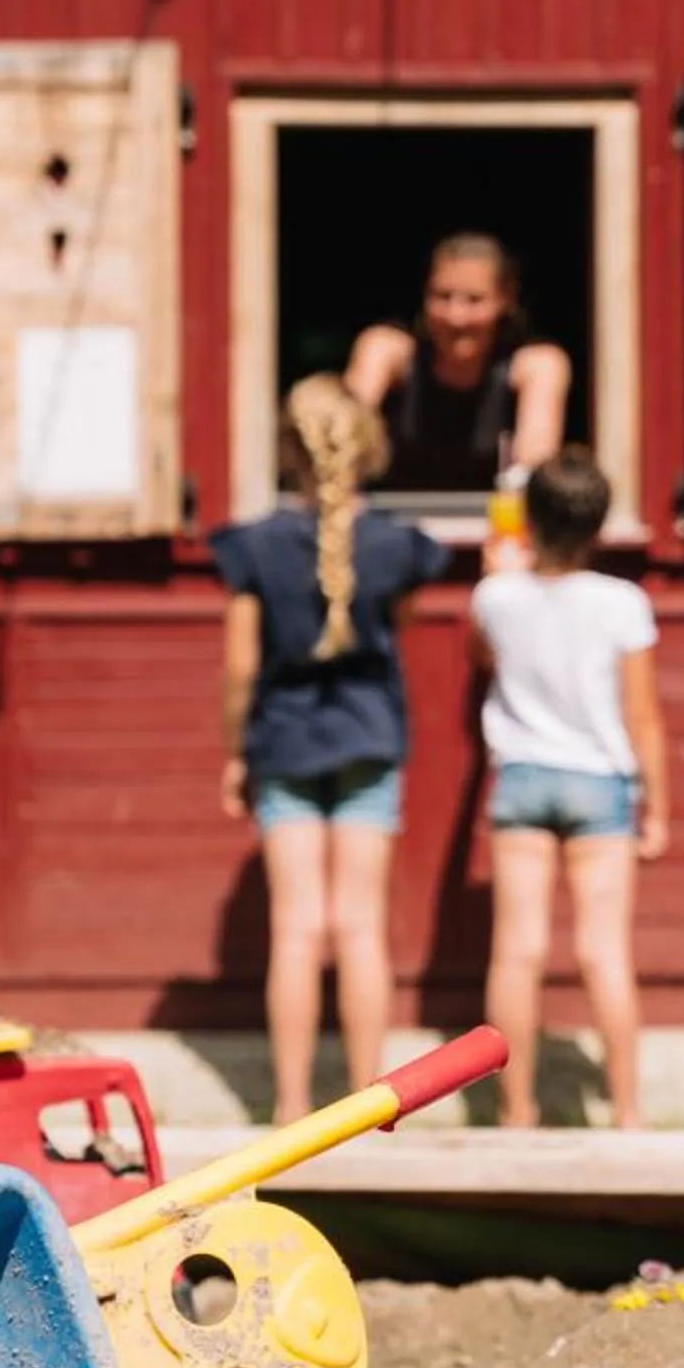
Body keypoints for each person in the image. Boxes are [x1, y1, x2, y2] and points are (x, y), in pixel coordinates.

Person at [214, 374, 450, 1115]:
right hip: (368, 737)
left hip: (284, 741)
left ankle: (288, 1105)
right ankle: (368, 1103)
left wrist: (234, 752)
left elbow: (241, 664)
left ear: (290, 449)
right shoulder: (395, 546)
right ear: (369, 448)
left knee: (295, 927)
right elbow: (403, 619)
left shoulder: (256, 545)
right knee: (360, 925)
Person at [467, 450, 670, 1130]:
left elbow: (480, 656)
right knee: (602, 950)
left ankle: (515, 1109)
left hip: (522, 775)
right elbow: (641, 714)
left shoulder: (495, 595)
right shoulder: (623, 603)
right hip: (599, 779)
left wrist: (503, 571)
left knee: (516, 951)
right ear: (600, 523)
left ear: (529, 519)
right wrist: (659, 808)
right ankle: (630, 1111)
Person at [343, 232, 574, 516]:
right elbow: (337, 448)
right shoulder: (390, 352)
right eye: (442, 297)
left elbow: (533, 477)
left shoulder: (535, 365)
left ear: (506, 299)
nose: (456, 317)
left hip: (493, 535)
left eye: (474, 300)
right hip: (391, 536)